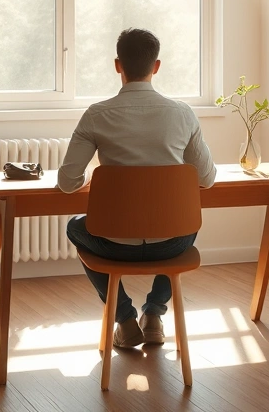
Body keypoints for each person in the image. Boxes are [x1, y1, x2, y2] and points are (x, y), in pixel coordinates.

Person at [58, 28, 216, 348]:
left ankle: (125, 320)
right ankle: (155, 314)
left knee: (75, 227)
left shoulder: (97, 115)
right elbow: (207, 179)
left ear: (118, 65)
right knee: (190, 225)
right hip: (170, 243)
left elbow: (67, 183)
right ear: (156, 66)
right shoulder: (183, 114)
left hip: (114, 242)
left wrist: (96, 176)